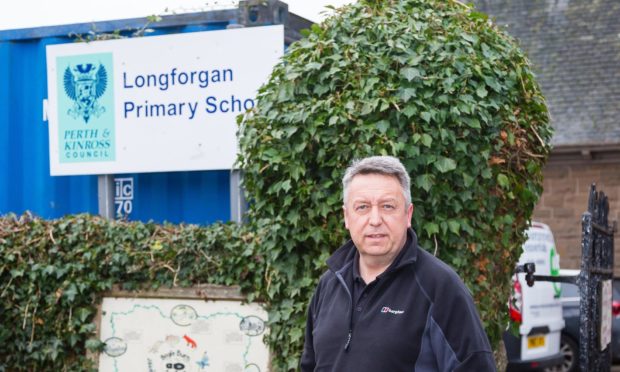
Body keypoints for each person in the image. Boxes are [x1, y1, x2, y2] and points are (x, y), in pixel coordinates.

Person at [300, 156, 496, 371]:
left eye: (387, 206)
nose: (375, 220)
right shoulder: (329, 286)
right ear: (347, 217)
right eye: (362, 207)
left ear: (408, 214)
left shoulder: (440, 288)